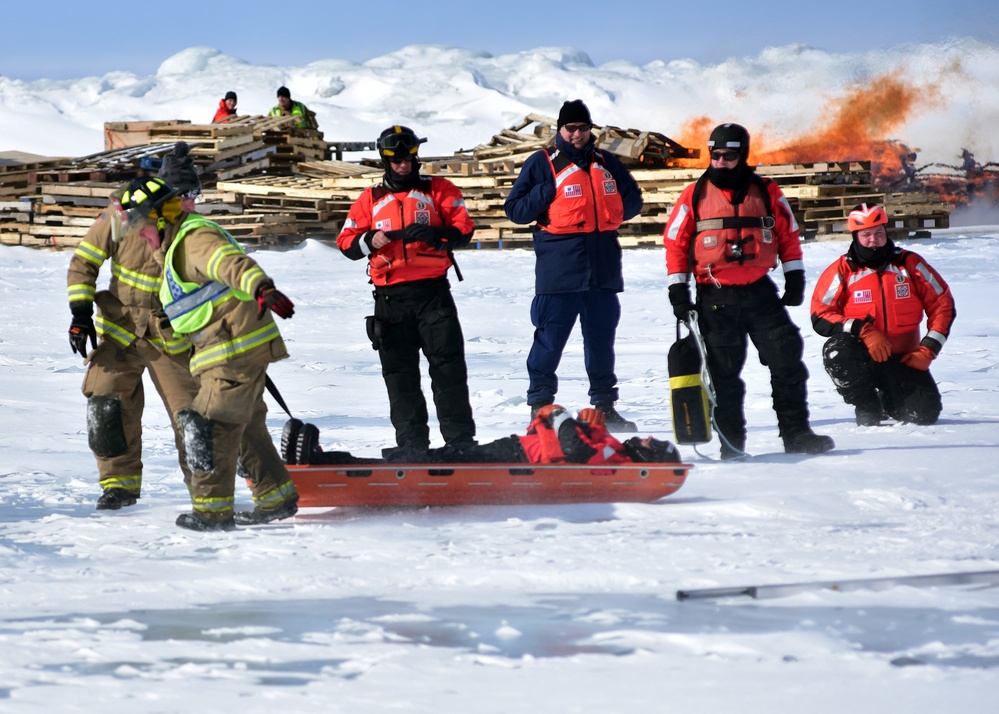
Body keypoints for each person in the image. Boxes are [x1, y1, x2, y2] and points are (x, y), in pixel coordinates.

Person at [117, 177, 299, 531]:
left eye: (139, 225)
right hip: (226, 347)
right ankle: (275, 497)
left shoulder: (193, 239)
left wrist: (261, 288)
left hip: (232, 348)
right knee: (244, 425)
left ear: (159, 218)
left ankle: (212, 512)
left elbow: (229, 263)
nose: (136, 235)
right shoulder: (171, 250)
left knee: (207, 426)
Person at [663, 122, 834, 459]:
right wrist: (678, 293)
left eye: (729, 156)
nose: (721, 162)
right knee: (724, 377)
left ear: (743, 155)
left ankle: (797, 435)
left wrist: (794, 277)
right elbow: (675, 245)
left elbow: (788, 236)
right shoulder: (694, 195)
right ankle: (732, 448)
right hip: (715, 298)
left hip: (760, 293)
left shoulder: (768, 192)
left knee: (787, 361)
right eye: (716, 155)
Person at [336, 125, 477, 462]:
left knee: (448, 370)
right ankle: (412, 445)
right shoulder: (369, 199)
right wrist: (368, 240)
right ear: (386, 161)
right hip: (390, 301)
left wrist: (436, 234)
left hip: (433, 295)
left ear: (416, 158)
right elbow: (345, 242)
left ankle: (460, 442)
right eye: (396, 160)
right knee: (400, 376)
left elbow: (463, 229)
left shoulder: (439, 190)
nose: (403, 165)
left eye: (408, 159)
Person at [503, 99, 644, 432]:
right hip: (559, 272)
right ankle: (540, 408)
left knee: (601, 342)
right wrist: (548, 192)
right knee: (549, 342)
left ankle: (605, 408)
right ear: (560, 130)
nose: (577, 134)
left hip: (603, 269)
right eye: (571, 128)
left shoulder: (607, 162)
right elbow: (516, 211)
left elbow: (633, 199)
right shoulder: (541, 164)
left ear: (590, 129)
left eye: (583, 128)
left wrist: (610, 211)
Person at [67, 169, 199, 511]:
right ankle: (118, 485)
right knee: (105, 404)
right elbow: (84, 262)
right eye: (182, 196)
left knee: (194, 417)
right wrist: (80, 315)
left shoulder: (193, 228)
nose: (189, 203)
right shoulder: (120, 216)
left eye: (191, 196)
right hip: (120, 330)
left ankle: (207, 490)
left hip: (170, 336)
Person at [810, 203, 955, 426]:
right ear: (855, 236)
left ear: (886, 232)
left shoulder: (909, 264)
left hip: (904, 359)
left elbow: (942, 303)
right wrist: (863, 330)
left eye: (878, 233)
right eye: (866, 234)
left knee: (924, 415)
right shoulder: (842, 270)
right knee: (837, 350)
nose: (873, 240)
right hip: (863, 358)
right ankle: (867, 404)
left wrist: (927, 351)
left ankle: (889, 398)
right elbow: (820, 314)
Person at [289, 406, 682, 466]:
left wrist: (562, 416)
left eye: (655, 446)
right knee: (429, 459)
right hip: (512, 450)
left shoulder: (618, 462)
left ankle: (322, 461)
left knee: (419, 465)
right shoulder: (614, 448)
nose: (648, 439)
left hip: (513, 461)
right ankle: (324, 459)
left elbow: (574, 452)